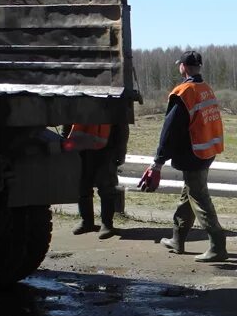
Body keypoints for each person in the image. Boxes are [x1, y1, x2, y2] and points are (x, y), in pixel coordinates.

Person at [138, 50, 228, 262]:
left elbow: (170, 131)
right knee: (188, 195)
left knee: (199, 198)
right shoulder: (206, 89)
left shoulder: (184, 92)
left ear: (184, 67)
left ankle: (218, 246)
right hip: (207, 150)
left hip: (194, 152)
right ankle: (177, 239)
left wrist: (157, 162)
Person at [63, 120, 127, 239]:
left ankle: (107, 224)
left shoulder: (112, 102)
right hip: (80, 147)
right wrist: (65, 143)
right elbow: (67, 121)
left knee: (106, 187)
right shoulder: (75, 101)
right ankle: (87, 222)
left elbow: (121, 125)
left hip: (107, 148)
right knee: (82, 186)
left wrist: (121, 150)